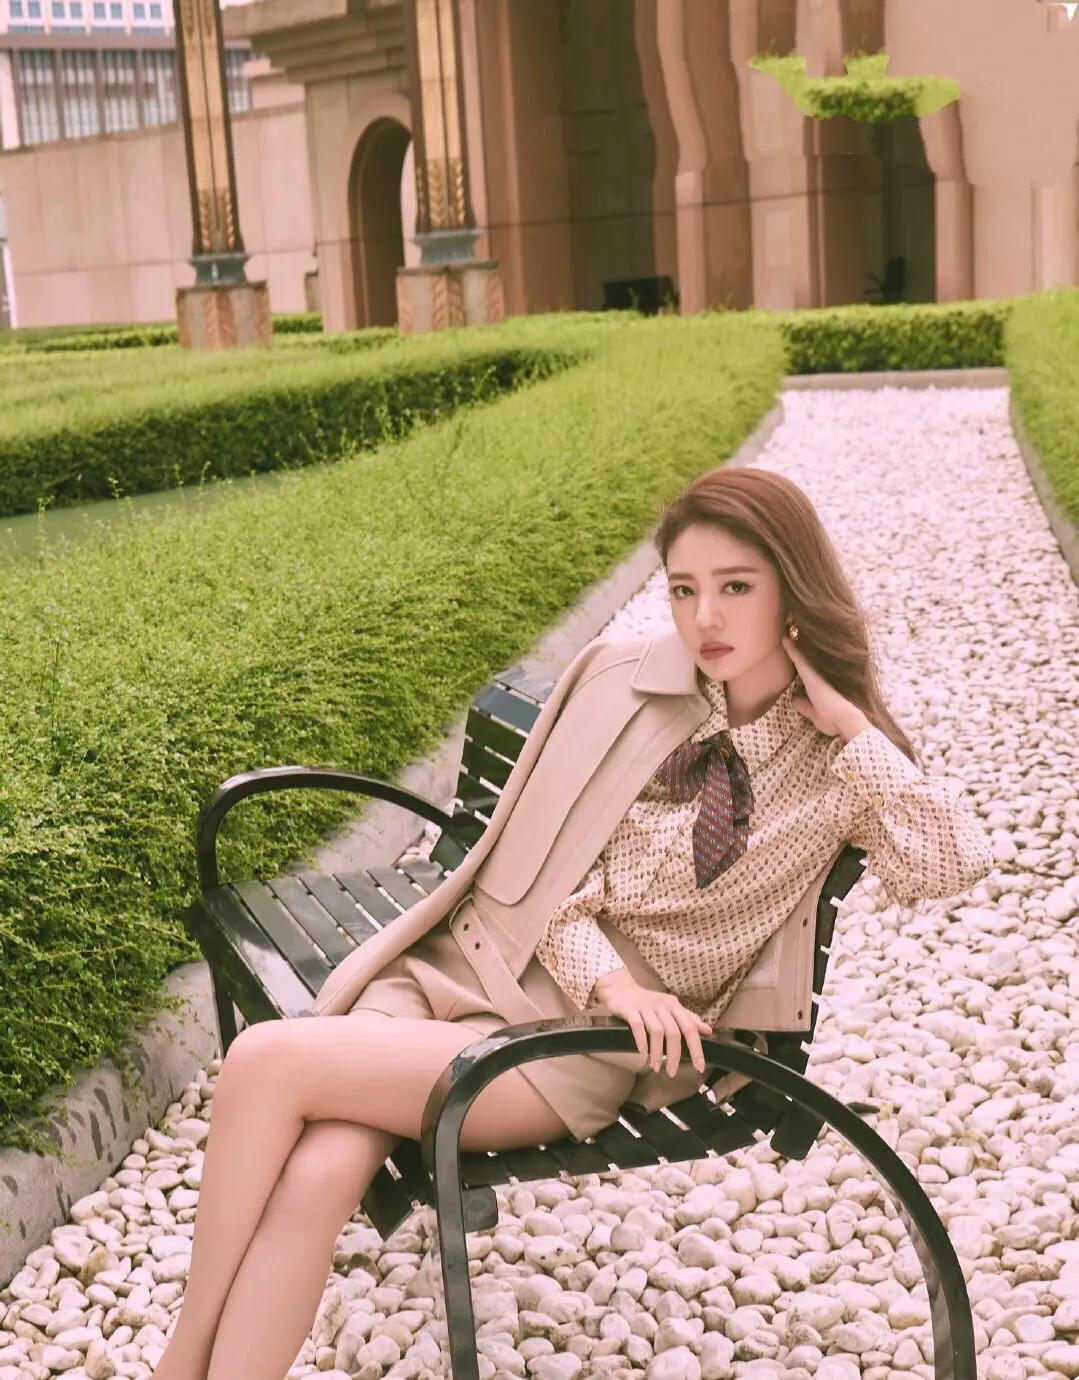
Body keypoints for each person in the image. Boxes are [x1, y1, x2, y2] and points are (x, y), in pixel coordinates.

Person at [151, 467, 994, 1380]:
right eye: (683, 589)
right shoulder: (645, 702)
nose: (704, 618)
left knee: (263, 1059)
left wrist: (850, 726)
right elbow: (558, 889)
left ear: (793, 591)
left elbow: (951, 862)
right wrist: (616, 978)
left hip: (567, 1048)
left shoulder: (837, 769)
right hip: (464, 966)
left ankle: (177, 1363)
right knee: (318, 1175)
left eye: (736, 587)